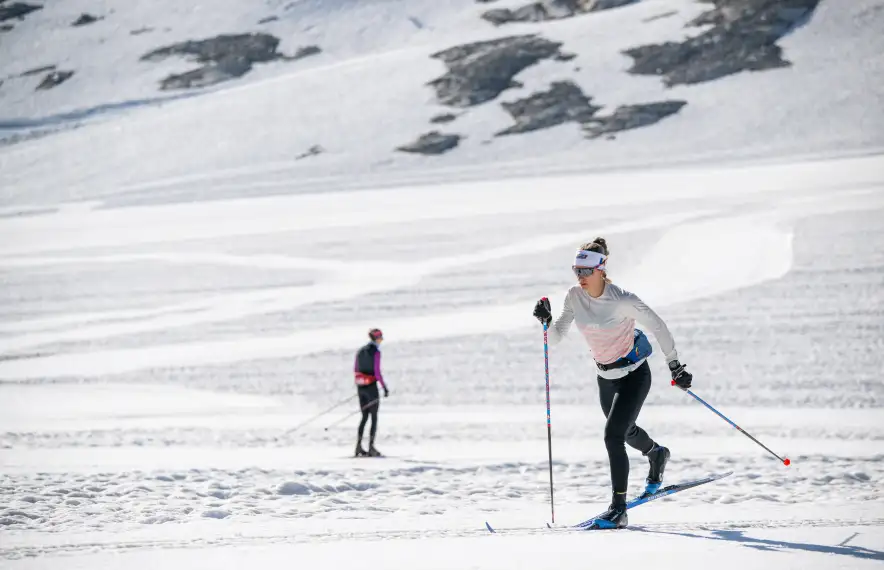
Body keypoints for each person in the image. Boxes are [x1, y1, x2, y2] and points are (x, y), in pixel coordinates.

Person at [532, 237, 693, 529]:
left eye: (585, 271)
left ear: (601, 269)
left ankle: (619, 509)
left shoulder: (622, 300)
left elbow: (658, 326)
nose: (580, 277)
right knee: (625, 430)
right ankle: (656, 454)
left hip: (634, 374)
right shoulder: (573, 297)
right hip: (605, 377)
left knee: (612, 436)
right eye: (576, 271)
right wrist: (546, 322)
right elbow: (555, 338)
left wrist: (675, 366)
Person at [353, 328, 390, 457]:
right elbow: (377, 372)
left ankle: (358, 446)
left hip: (361, 386)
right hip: (371, 388)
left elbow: (356, 368)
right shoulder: (376, 352)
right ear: (376, 338)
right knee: (373, 417)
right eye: (380, 337)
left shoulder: (360, 351)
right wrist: (384, 387)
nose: (381, 340)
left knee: (364, 417)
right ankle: (371, 447)